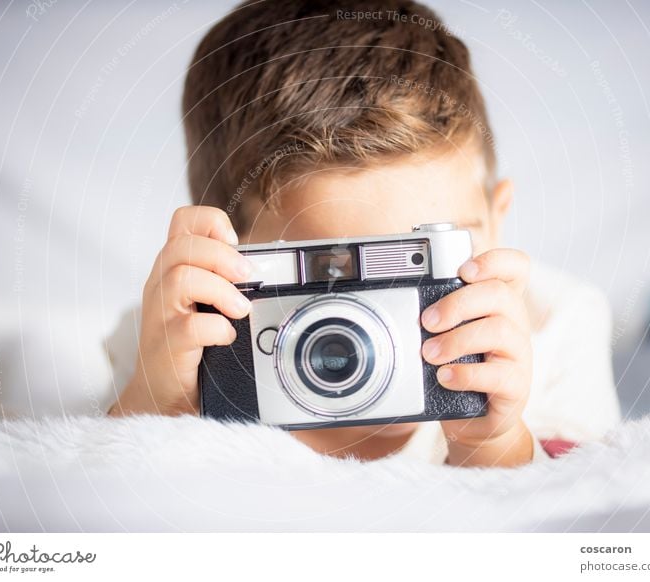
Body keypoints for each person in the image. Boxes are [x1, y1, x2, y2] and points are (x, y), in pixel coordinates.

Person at [106, 0, 621, 467]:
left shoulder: (557, 324)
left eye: (427, 258)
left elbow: (578, 515)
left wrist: (491, 443)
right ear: (221, 257)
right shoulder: (174, 343)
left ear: (496, 215)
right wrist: (155, 408)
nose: (385, 318)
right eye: (336, 269)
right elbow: (85, 502)